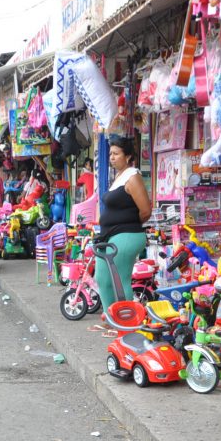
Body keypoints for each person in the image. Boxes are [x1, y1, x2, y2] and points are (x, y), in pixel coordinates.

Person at [94, 135, 152, 322]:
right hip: (109, 236)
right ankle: (112, 319)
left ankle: (127, 322)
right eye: (110, 154)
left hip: (126, 235)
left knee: (120, 279)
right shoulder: (119, 177)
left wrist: (127, 222)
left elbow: (145, 210)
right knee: (102, 278)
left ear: (127, 156)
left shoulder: (133, 177)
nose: (111, 157)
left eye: (116, 154)